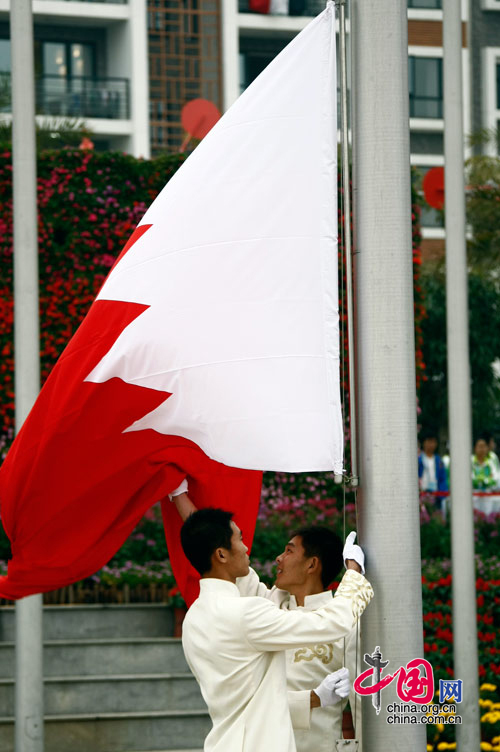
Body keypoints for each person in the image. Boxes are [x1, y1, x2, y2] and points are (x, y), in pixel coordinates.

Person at [171, 488, 373, 752]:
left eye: (288, 551)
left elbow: (364, 704)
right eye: (240, 540)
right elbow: (333, 622)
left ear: (312, 564)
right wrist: (355, 573)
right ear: (221, 553)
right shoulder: (260, 607)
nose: (247, 548)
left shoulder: (196, 617)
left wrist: (179, 494)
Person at [418, 430, 448, 511]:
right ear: (424, 443)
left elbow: (442, 479)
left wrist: (441, 495)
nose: (431, 445)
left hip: (435, 495)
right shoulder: (419, 459)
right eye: (429, 441)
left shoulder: (439, 461)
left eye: (433, 442)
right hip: (422, 494)